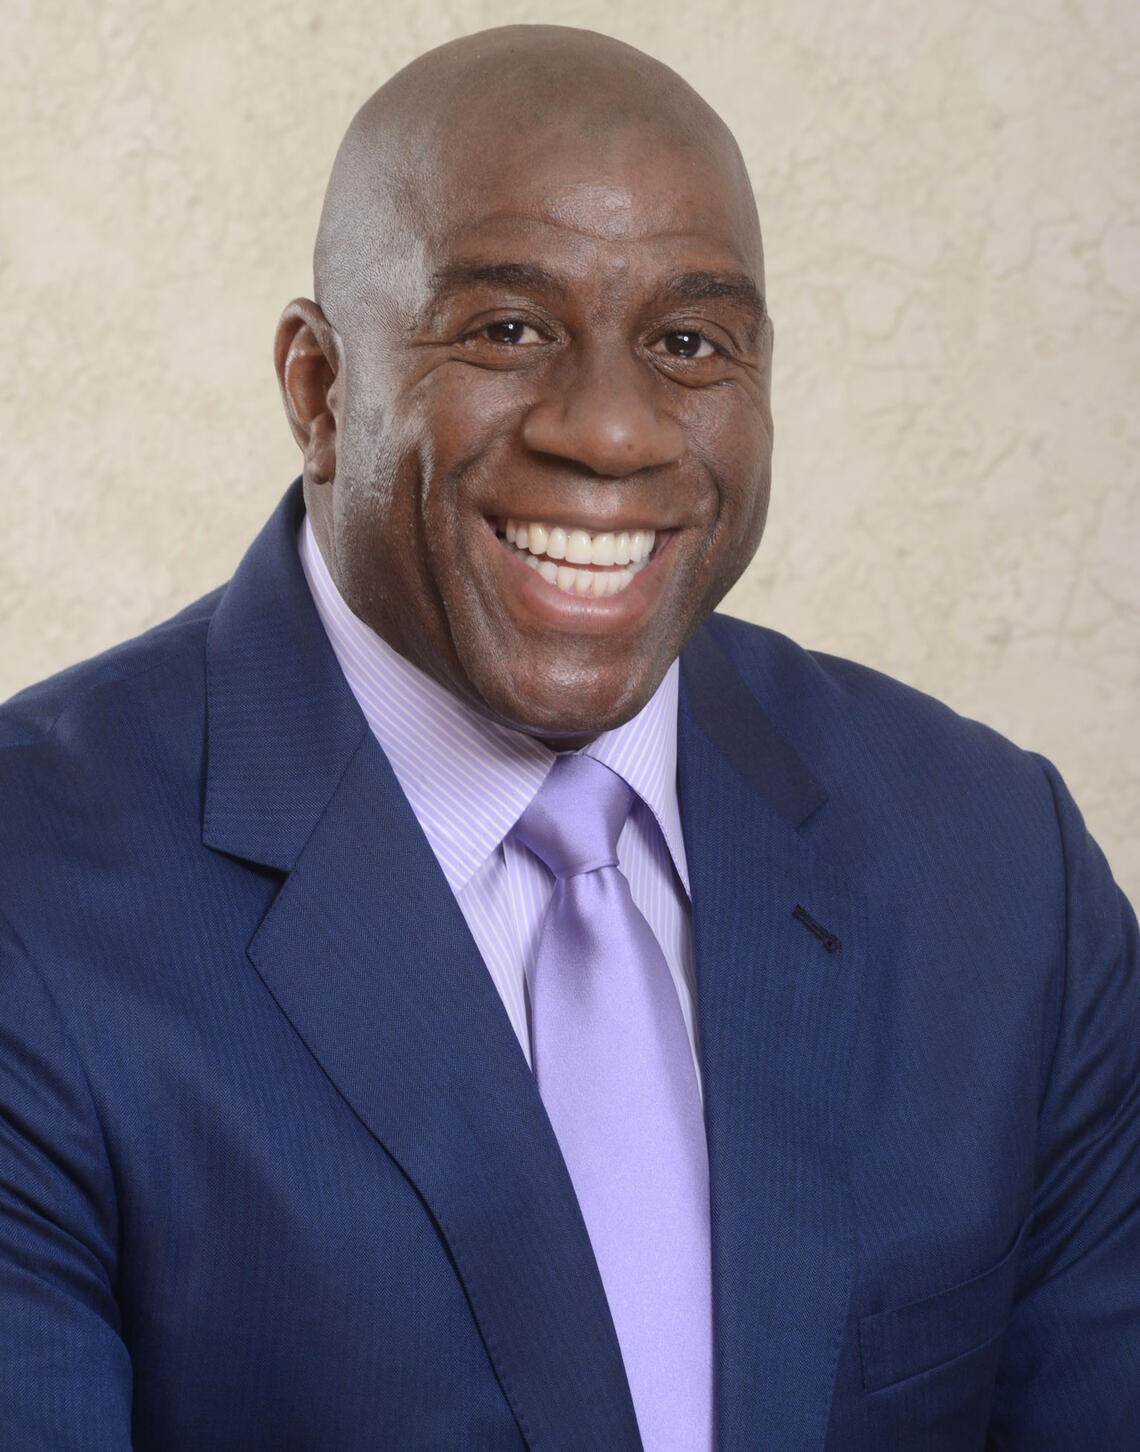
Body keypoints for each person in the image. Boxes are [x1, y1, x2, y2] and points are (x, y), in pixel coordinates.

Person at [0, 22, 1136, 1451]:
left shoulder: (996, 867)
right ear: (317, 389)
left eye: (686, 342)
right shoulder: (32, 896)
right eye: (508, 329)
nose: (611, 432)